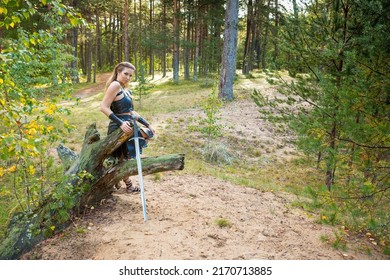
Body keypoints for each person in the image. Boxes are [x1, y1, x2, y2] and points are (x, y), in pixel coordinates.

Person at [100, 62, 155, 193]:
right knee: (121, 158)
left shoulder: (127, 91)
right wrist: (120, 123)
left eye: (130, 75)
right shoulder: (115, 85)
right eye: (126, 74)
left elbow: (132, 113)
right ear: (118, 72)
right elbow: (103, 107)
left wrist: (148, 124)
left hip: (130, 124)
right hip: (119, 127)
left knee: (146, 135)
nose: (128, 77)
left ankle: (123, 183)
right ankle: (127, 185)